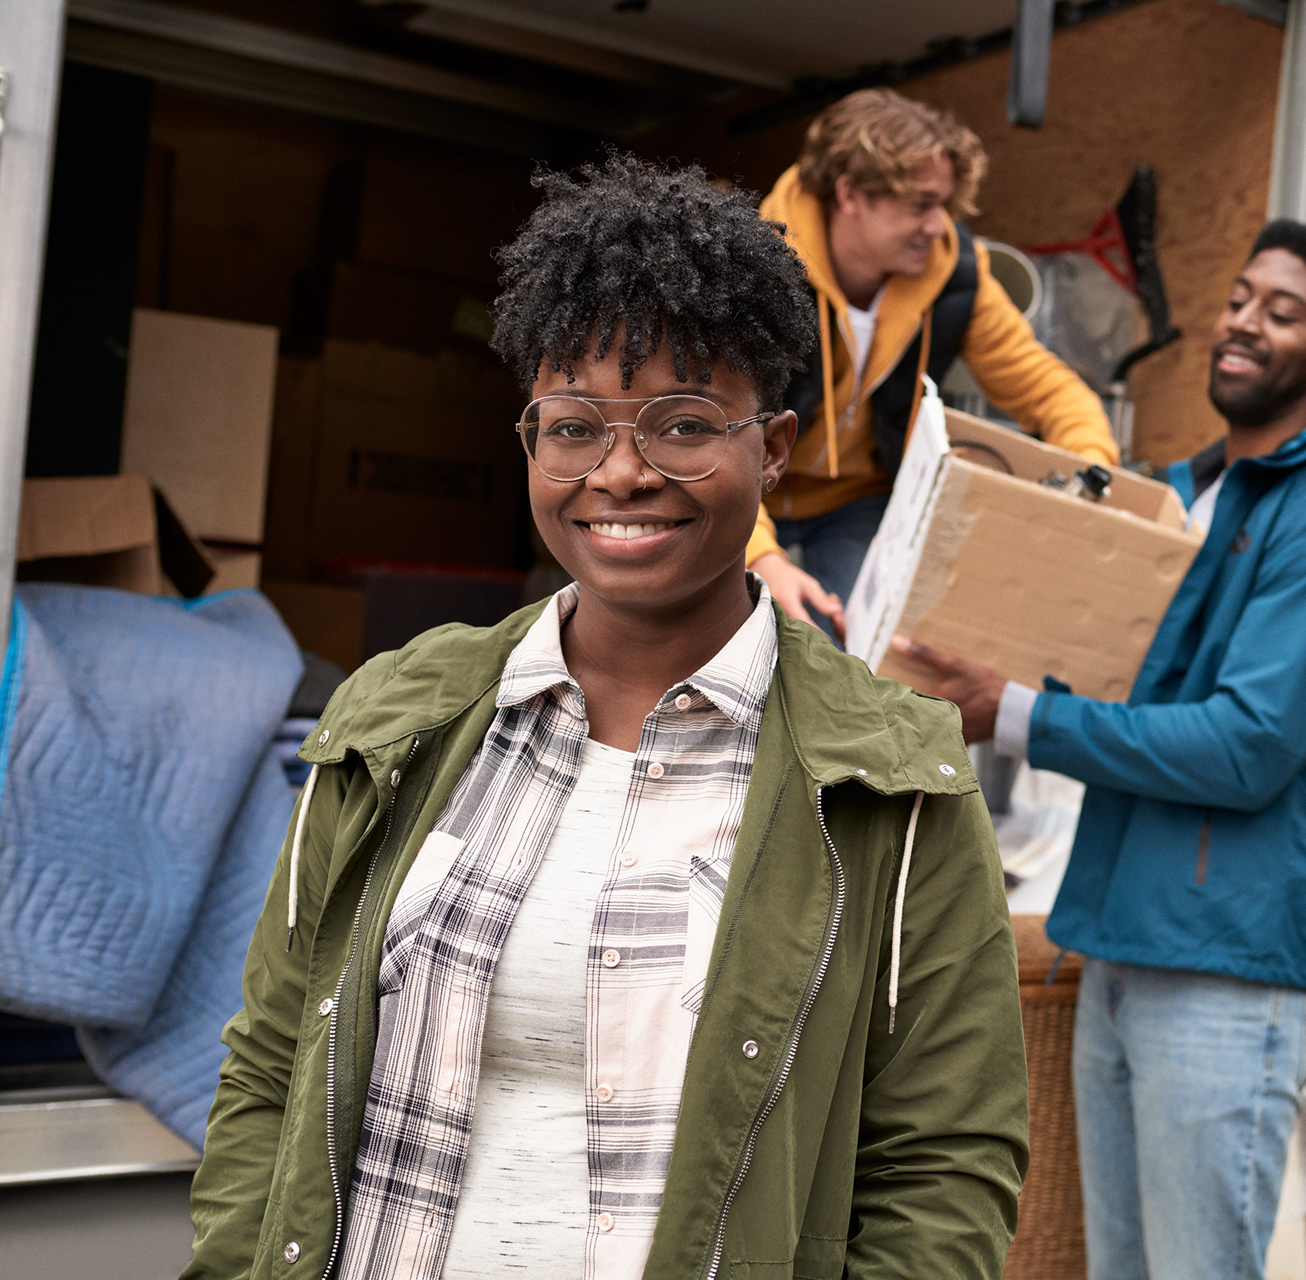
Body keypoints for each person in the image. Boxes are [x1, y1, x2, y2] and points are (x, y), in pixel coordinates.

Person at [182, 155, 1027, 1280]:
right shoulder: (399, 716)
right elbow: (271, 1063)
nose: (620, 472)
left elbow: (946, 1156)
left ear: (770, 447)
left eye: (682, 424)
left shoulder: (889, 779)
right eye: (574, 426)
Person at [898, 220, 1306, 1280]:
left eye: (1283, 312)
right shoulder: (1189, 496)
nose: (1243, 323)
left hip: (1228, 966)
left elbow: (1247, 747)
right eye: (1240, 298)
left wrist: (1012, 712)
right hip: (1126, 939)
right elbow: (1110, 670)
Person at [750, 87, 1120, 635]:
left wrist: (1093, 476)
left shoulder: (955, 273)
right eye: (921, 204)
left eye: (944, 205)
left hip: (858, 500)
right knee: (734, 650)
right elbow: (709, 428)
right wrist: (762, 558)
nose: (938, 225)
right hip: (743, 489)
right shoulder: (751, 267)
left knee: (860, 658)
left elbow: (1049, 391)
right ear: (850, 194)